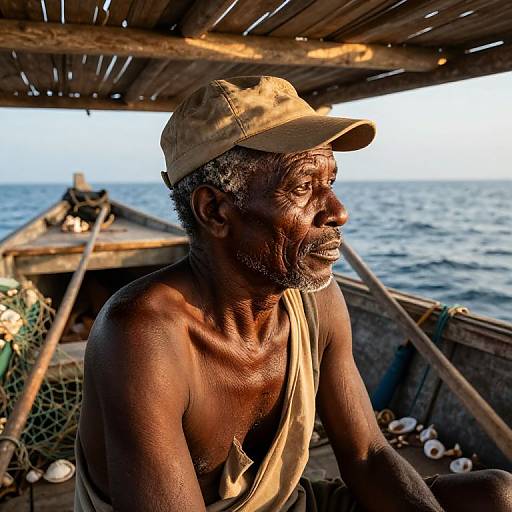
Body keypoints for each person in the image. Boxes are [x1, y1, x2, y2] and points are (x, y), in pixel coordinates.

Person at [75, 76, 512, 511]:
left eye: (331, 182)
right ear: (215, 211)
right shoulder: (140, 336)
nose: (338, 212)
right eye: (303, 187)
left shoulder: (316, 302)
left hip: (293, 504)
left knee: (497, 495)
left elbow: (368, 456)